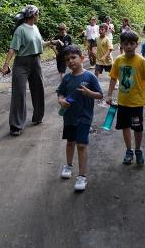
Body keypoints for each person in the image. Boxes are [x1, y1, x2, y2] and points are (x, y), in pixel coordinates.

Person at [1, 5, 59, 136]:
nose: (38, 16)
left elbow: (40, 43)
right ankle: (16, 125)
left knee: (38, 89)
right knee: (19, 93)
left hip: (36, 62)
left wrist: (52, 42)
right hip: (21, 63)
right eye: (38, 14)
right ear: (33, 15)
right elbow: (13, 48)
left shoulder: (35, 28)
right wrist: (6, 65)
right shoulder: (20, 30)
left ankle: (38, 116)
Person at [106, 31, 145, 165]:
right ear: (121, 45)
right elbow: (113, 78)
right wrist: (109, 94)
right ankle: (129, 150)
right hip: (123, 102)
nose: (129, 46)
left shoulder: (141, 61)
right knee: (125, 126)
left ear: (136, 44)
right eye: (126, 44)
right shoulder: (118, 60)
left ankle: (138, 150)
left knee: (137, 127)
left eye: (131, 43)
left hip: (137, 103)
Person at [57, 45, 103, 192]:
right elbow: (60, 93)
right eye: (67, 59)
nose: (70, 61)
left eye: (73, 57)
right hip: (69, 117)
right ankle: (68, 166)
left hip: (84, 116)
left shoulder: (90, 77)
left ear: (82, 58)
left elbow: (100, 94)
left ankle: (82, 176)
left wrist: (89, 93)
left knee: (81, 145)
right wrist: (61, 100)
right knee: (70, 142)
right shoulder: (66, 78)